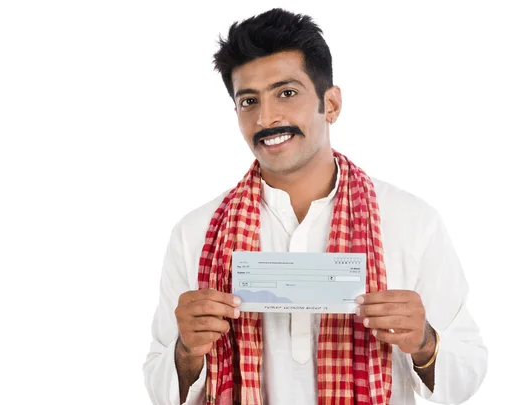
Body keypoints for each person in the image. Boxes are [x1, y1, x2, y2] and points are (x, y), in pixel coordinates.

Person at [143, 8, 487, 405]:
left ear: (332, 104)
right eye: (249, 101)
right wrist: (186, 351)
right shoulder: (196, 233)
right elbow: (158, 383)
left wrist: (425, 343)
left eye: (286, 93)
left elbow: (469, 368)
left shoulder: (411, 221)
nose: (266, 117)